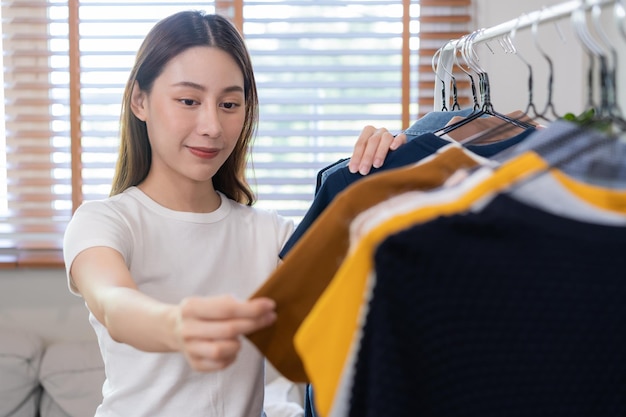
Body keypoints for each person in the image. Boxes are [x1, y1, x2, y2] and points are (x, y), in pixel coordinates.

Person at [62, 10, 403, 417]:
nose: (212, 126)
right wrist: (175, 325)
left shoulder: (270, 235)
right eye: (188, 101)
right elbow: (113, 304)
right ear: (140, 101)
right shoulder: (105, 221)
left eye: (229, 104)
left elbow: (363, 313)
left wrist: (392, 173)